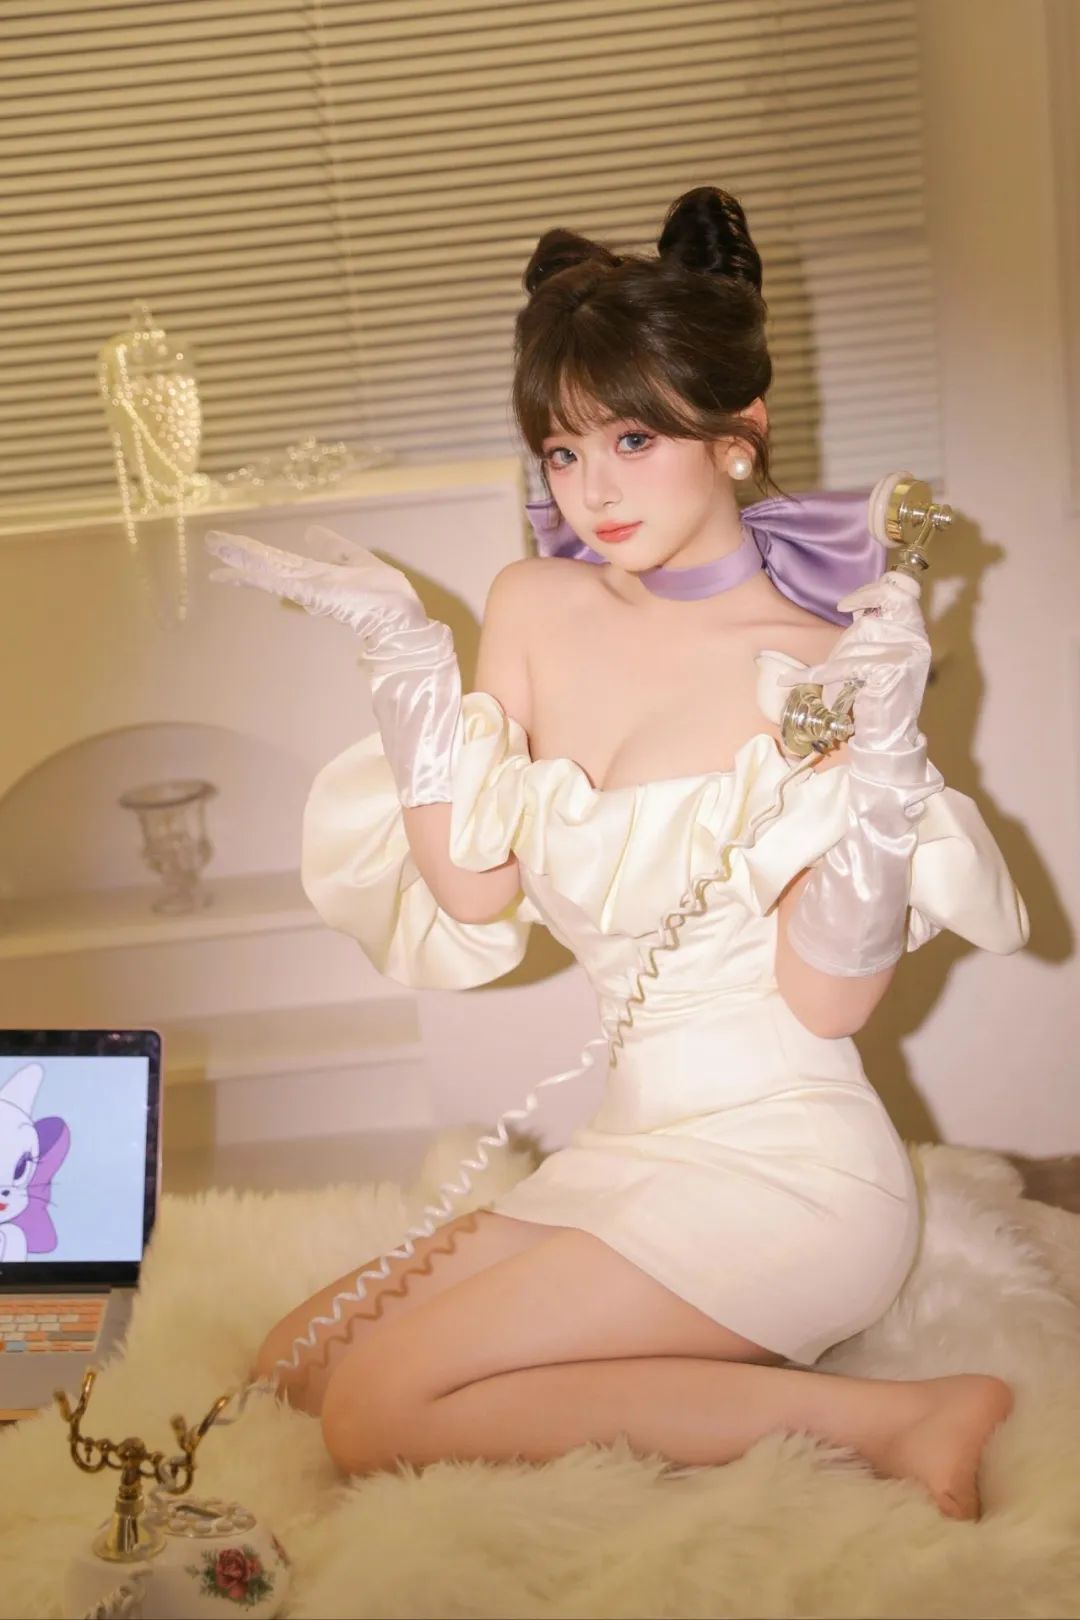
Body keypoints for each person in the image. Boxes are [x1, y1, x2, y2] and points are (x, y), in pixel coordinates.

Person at [205, 186, 1029, 1520]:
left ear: (740, 434)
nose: (592, 492)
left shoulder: (824, 668)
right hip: (627, 1152)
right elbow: (474, 890)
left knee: (374, 1415)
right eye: (562, 451)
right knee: (294, 1368)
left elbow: (829, 1002)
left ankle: (901, 1416)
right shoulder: (537, 604)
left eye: (634, 439)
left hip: (791, 1176)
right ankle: (674, 1371)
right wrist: (404, 661)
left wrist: (880, 780)